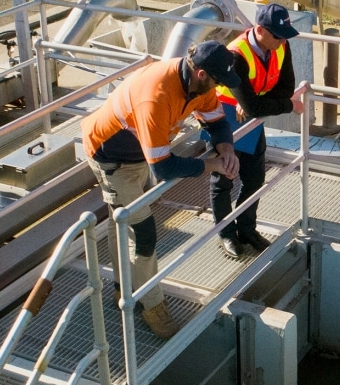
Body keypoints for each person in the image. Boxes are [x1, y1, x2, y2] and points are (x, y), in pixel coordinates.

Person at [83, 41, 241, 338]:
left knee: (123, 223)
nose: (219, 87)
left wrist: (226, 149)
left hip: (138, 154)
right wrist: (212, 165)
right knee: (142, 234)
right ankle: (153, 307)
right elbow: (164, 168)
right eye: (218, 81)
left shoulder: (199, 85)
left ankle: (123, 289)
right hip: (111, 158)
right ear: (202, 74)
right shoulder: (156, 96)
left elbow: (217, 123)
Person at [210, 0, 304, 261]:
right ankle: (226, 233)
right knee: (223, 180)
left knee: (254, 179)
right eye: (278, 36)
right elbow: (261, 103)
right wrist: (285, 105)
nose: (283, 41)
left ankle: (247, 229)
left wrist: (255, 103)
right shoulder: (235, 55)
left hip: (252, 119)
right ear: (260, 30)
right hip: (223, 118)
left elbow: (285, 88)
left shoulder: (280, 44)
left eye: (285, 35)